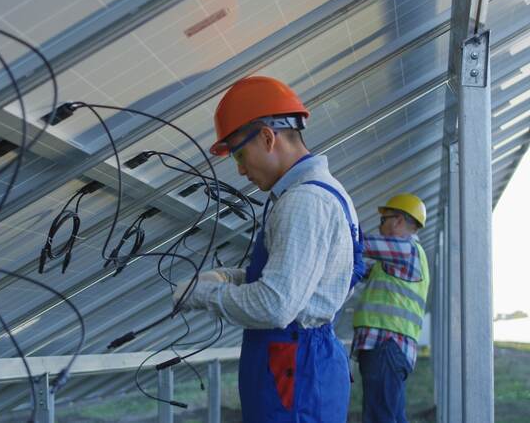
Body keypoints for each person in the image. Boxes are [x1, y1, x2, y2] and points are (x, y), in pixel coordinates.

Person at [173, 76, 359, 423]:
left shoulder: (304, 201)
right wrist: (234, 277)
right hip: (302, 364)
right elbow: (303, 282)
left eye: (240, 155)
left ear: (267, 137)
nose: (241, 170)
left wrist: (205, 295)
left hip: (293, 368)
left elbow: (275, 304)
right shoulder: (321, 192)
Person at [351, 194, 430, 423]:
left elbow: (360, 246)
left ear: (397, 220)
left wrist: (336, 231)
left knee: (379, 417)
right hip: (393, 349)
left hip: (385, 345)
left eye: (383, 220)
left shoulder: (407, 250)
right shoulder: (395, 261)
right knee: (390, 416)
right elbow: (359, 270)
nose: (381, 226)